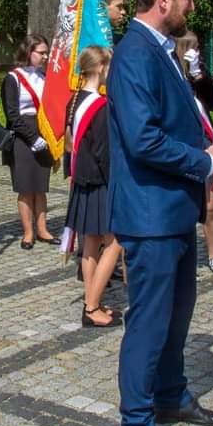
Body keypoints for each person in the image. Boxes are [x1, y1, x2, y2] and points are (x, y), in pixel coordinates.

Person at [109, 0, 213, 426]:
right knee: (150, 319)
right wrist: (203, 161)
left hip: (173, 208)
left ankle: (171, 395)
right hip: (149, 213)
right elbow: (142, 139)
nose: (191, 5)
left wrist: (204, 151)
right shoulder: (135, 54)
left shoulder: (162, 50)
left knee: (178, 312)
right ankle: (137, 423)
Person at [65, 46, 121, 328]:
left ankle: (92, 298)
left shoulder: (74, 100)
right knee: (115, 242)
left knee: (90, 243)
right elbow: (104, 153)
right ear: (100, 68)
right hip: (101, 182)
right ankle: (91, 307)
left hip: (83, 180)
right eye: (109, 66)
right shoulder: (100, 106)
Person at [175, 31, 213, 278]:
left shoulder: (199, 72)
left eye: (198, 48)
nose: (197, 52)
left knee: (209, 205)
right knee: (182, 202)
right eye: (193, 48)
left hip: (204, 142)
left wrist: (199, 76)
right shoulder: (171, 72)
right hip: (181, 145)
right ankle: (181, 258)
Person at [1, 34, 56, 249]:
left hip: (43, 131)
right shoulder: (12, 78)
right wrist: (33, 138)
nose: (45, 56)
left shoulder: (44, 77)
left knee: (40, 186)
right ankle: (28, 233)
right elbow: (12, 115)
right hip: (22, 136)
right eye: (41, 52)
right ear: (28, 52)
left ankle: (43, 230)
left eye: (46, 53)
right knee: (25, 187)